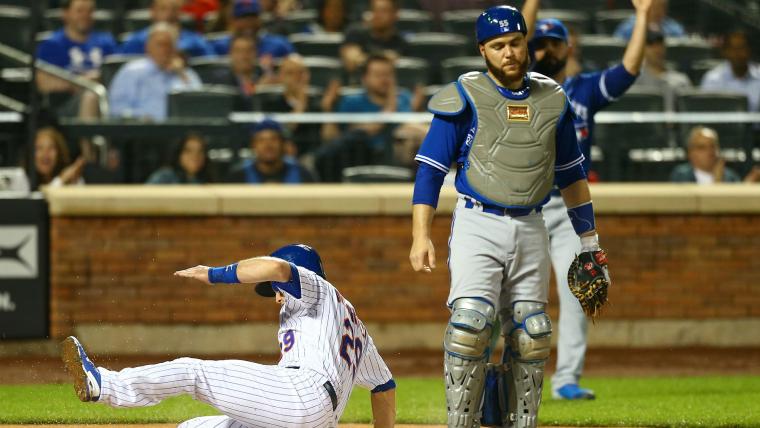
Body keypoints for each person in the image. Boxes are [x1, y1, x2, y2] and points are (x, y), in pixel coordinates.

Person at [409, 6, 606, 427]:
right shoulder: (464, 95)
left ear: (526, 42)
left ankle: (521, 422)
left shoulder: (554, 99)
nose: (509, 53)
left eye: (515, 42)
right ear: (483, 50)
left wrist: (589, 243)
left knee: (532, 332)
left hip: (532, 223)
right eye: (497, 46)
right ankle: (461, 422)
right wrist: (420, 235)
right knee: (470, 325)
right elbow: (430, 170)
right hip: (478, 223)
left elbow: (573, 176)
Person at [61, 244, 397, 428]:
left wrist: (213, 274)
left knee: (192, 372)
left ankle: (104, 385)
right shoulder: (354, 326)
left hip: (301, 396)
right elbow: (384, 388)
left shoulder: (317, 288)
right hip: (316, 418)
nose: (277, 296)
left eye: (278, 291)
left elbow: (277, 269)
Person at [523, 0, 649, 400]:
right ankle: (516, 378)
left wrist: (643, 16)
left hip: (565, 209)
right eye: (538, 43)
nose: (544, 50)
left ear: (567, 47)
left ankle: (566, 381)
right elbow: (516, 40)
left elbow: (628, 71)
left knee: (579, 290)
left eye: (552, 43)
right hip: (523, 207)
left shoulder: (581, 90)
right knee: (519, 299)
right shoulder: (520, 88)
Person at [35, 0, 118, 118]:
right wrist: (84, 81)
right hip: (65, 104)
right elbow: (43, 84)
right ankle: (87, 136)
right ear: (65, 14)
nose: (85, 15)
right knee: (91, 95)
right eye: (80, 11)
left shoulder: (106, 42)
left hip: (107, 98)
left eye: (90, 11)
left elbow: (117, 74)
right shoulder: (52, 45)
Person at [109, 23, 203, 121]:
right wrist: (139, 118)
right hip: (141, 129)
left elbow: (200, 105)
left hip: (179, 130)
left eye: (170, 45)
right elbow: (117, 109)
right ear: (147, 47)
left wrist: (181, 73)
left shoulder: (186, 73)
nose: (166, 49)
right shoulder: (131, 71)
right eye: (161, 44)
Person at [226, 119, 316, 183]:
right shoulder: (238, 176)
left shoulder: (302, 174)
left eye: (274, 139)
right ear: (253, 146)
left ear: (283, 144)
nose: (268, 145)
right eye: (261, 140)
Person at [340, 0, 409, 82]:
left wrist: (364, 57)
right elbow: (351, 62)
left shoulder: (401, 42)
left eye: (383, 11)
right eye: (374, 10)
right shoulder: (355, 33)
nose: (377, 15)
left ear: (395, 14)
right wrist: (385, 58)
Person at [120, 0, 216, 58]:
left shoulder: (196, 41)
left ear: (180, 12)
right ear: (153, 11)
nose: (169, 14)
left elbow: (212, 69)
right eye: (163, 9)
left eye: (174, 9)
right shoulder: (137, 40)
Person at [210, 0, 295, 63]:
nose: (249, 22)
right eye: (243, 17)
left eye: (253, 17)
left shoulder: (279, 45)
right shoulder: (219, 47)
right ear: (232, 21)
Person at [630, 30, 692, 111]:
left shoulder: (680, 80)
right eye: (651, 45)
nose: (656, 50)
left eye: (659, 44)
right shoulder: (632, 80)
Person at [700, 30, 760, 113]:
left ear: (749, 50)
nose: (737, 53)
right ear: (725, 52)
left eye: (742, 48)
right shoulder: (713, 79)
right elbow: (706, 113)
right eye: (733, 49)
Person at [669, 126, 742, 183]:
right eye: (702, 147)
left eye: (712, 146)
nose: (710, 151)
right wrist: (717, 184)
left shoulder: (730, 177)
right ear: (690, 153)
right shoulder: (681, 175)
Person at [29, 127, 85, 191]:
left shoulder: (71, 177)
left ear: (60, 153)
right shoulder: (21, 177)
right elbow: (44, 199)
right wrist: (61, 179)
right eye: (39, 148)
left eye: (51, 148)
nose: (45, 154)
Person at [146, 133, 214, 184]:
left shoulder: (208, 180)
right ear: (179, 154)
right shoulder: (164, 178)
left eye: (200, 151)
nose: (195, 156)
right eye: (189, 151)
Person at [613, 0, 685, 40]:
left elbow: (683, 45)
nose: (659, 11)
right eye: (655, 7)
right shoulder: (629, 26)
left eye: (662, 7)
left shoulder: (673, 27)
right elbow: (616, 47)